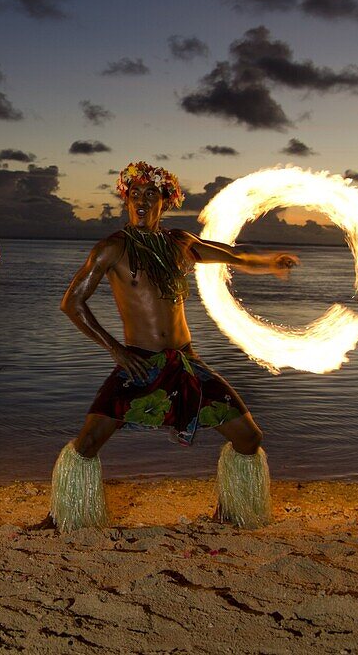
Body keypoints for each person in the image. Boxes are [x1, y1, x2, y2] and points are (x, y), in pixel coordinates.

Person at [49, 161, 298, 531]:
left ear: (166, 200)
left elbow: (233, 256)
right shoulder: (112, 249)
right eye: (134, 194)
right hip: (140, 364)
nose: (142, 201)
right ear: (126, 200)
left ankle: (232, 512)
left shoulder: (180, 244)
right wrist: (117, 350)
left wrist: (270, 262)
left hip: (186, 363)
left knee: (249, 438)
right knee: (87, 444)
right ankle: (65, 518)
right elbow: (72, 303)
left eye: (151, 194)